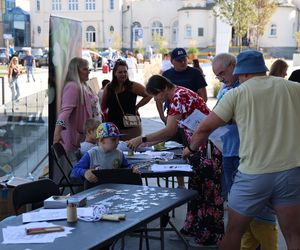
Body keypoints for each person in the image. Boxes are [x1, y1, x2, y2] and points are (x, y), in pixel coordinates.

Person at [183, 50, 300, 249]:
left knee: (234, 232)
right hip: (290, 171)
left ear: (241, 72)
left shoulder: (236, 94)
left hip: (253, 174)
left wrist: (191, 149)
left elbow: (204, 128)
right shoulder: (294, 88)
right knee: (293, 235)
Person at [127, 75, 224, 247]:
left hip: (206, 149)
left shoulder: (178, 97)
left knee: (208, 194)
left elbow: (170, 130)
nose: (156, 99)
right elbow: (175, 131)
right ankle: (194, 229)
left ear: (163, 89)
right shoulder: (180, 94)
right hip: (199, 149)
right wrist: (149, 142)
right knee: (197, 190)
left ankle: (209, 237)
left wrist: (142, 139)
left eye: (156, 96)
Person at [213, 53, 278, 250]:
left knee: (254, 211)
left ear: (235, 66)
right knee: (237, 208)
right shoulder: (227, 89)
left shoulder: (247, 89)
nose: (221, 78)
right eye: (217, 76)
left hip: (249, 156)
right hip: (229, 150)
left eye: (223, 73)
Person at [53, 57, 102, 162]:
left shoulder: (84, 85)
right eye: (85, 69)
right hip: (76, 140)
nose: (88, 72)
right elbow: (64, 113)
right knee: (77, 170)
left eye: (88, 69)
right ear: (76, 71)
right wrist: (57, 133)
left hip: (87, 137)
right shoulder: (73, 87)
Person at [101, 60, 151, 140]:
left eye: (125, 71)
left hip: (131, 128)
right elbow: (103, 106)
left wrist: (137, 106)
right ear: (115, 73)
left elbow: (149, 95)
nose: (123, 74)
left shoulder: (132, 86)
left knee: (132, 149)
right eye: (120, 72)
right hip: (113, 128)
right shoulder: (109, 87)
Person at [72, 122, 136, 183]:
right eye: (113, 139)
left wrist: (132, 168)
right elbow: (74, 171)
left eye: (118, 139)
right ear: (101, 140)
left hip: (115, 187)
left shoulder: (119, 153)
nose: (117, 142)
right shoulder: (92, 154)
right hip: (96, 188)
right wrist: (85, 172)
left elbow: (127, 166)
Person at [157, 48, 208, 124]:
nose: (183, 62)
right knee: (172, 135)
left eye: (185, 59)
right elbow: (158, 97)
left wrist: (194, 114)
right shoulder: (166, 75)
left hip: (191, 116)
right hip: (172, 114)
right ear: (172, 61)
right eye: (179, 60)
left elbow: (204, 97)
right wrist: (162, 116)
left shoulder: (195, 73)